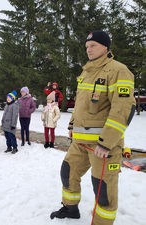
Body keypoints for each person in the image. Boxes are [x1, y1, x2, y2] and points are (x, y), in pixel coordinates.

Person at [50, 30, 136, 225]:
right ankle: (70, 209)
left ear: (105, 47)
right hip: (80, 142)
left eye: (93, 45)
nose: (89, 49)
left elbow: (122, 109)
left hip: (102, 147)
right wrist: (72, 126)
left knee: (103, 189)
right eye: (87, 46)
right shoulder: (87, 71)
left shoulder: (118, 70)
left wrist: (106, 143)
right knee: (68, 172)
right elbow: (81, 105)